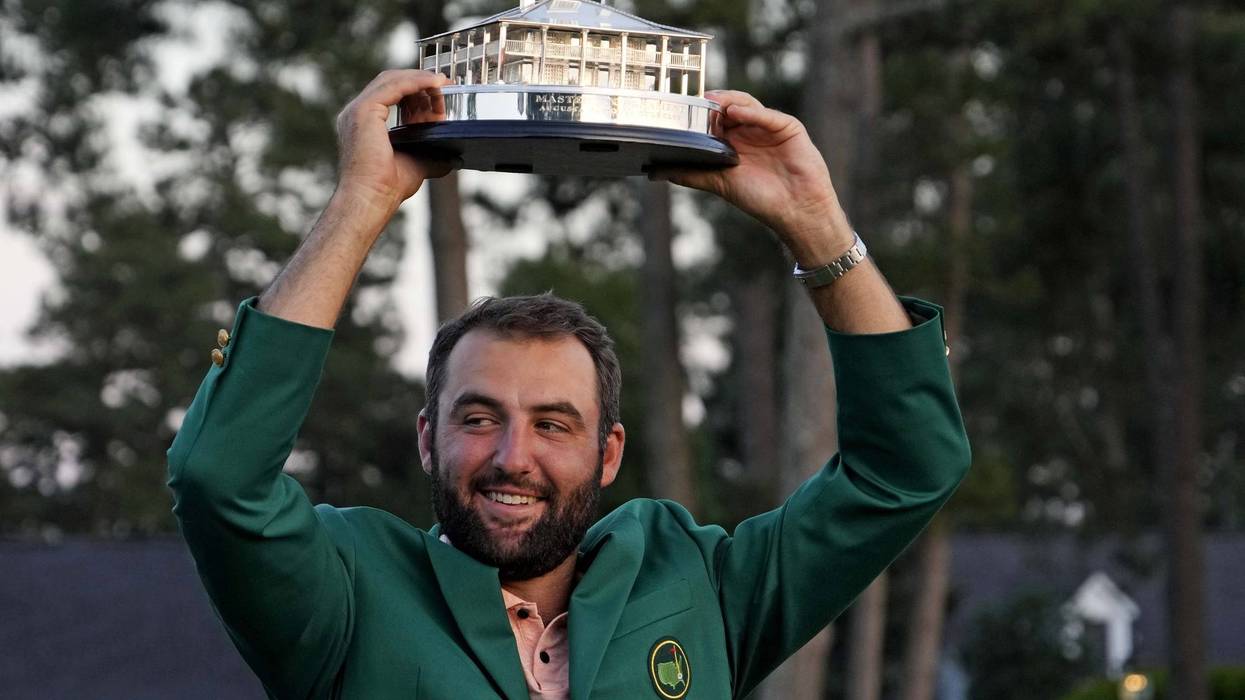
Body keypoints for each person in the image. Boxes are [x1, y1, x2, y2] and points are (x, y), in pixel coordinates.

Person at [167, 70, 970, 700]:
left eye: (554, 424)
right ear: (426, 436)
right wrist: (361, 202)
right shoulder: (344, 596)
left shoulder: (700, 588)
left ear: (608, 450)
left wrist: (814, 221)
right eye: (479, 417)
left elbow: (906, 467)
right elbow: (218, 478)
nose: (513, 456)